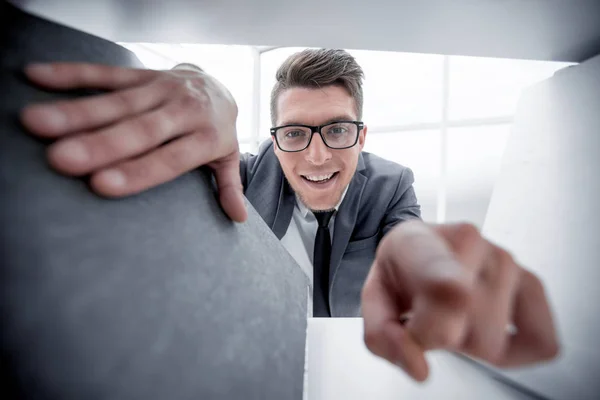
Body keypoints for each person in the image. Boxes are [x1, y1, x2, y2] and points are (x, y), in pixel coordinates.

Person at [19, 48, 559, 381]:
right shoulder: (243, 176)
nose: (318, 156)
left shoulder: (394, 184)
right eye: (295, 133)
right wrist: (192, 77)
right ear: (274, 138)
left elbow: (407, 239)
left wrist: (423, 266)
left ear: (362, 134)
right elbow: (198, 157)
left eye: (338, 130)